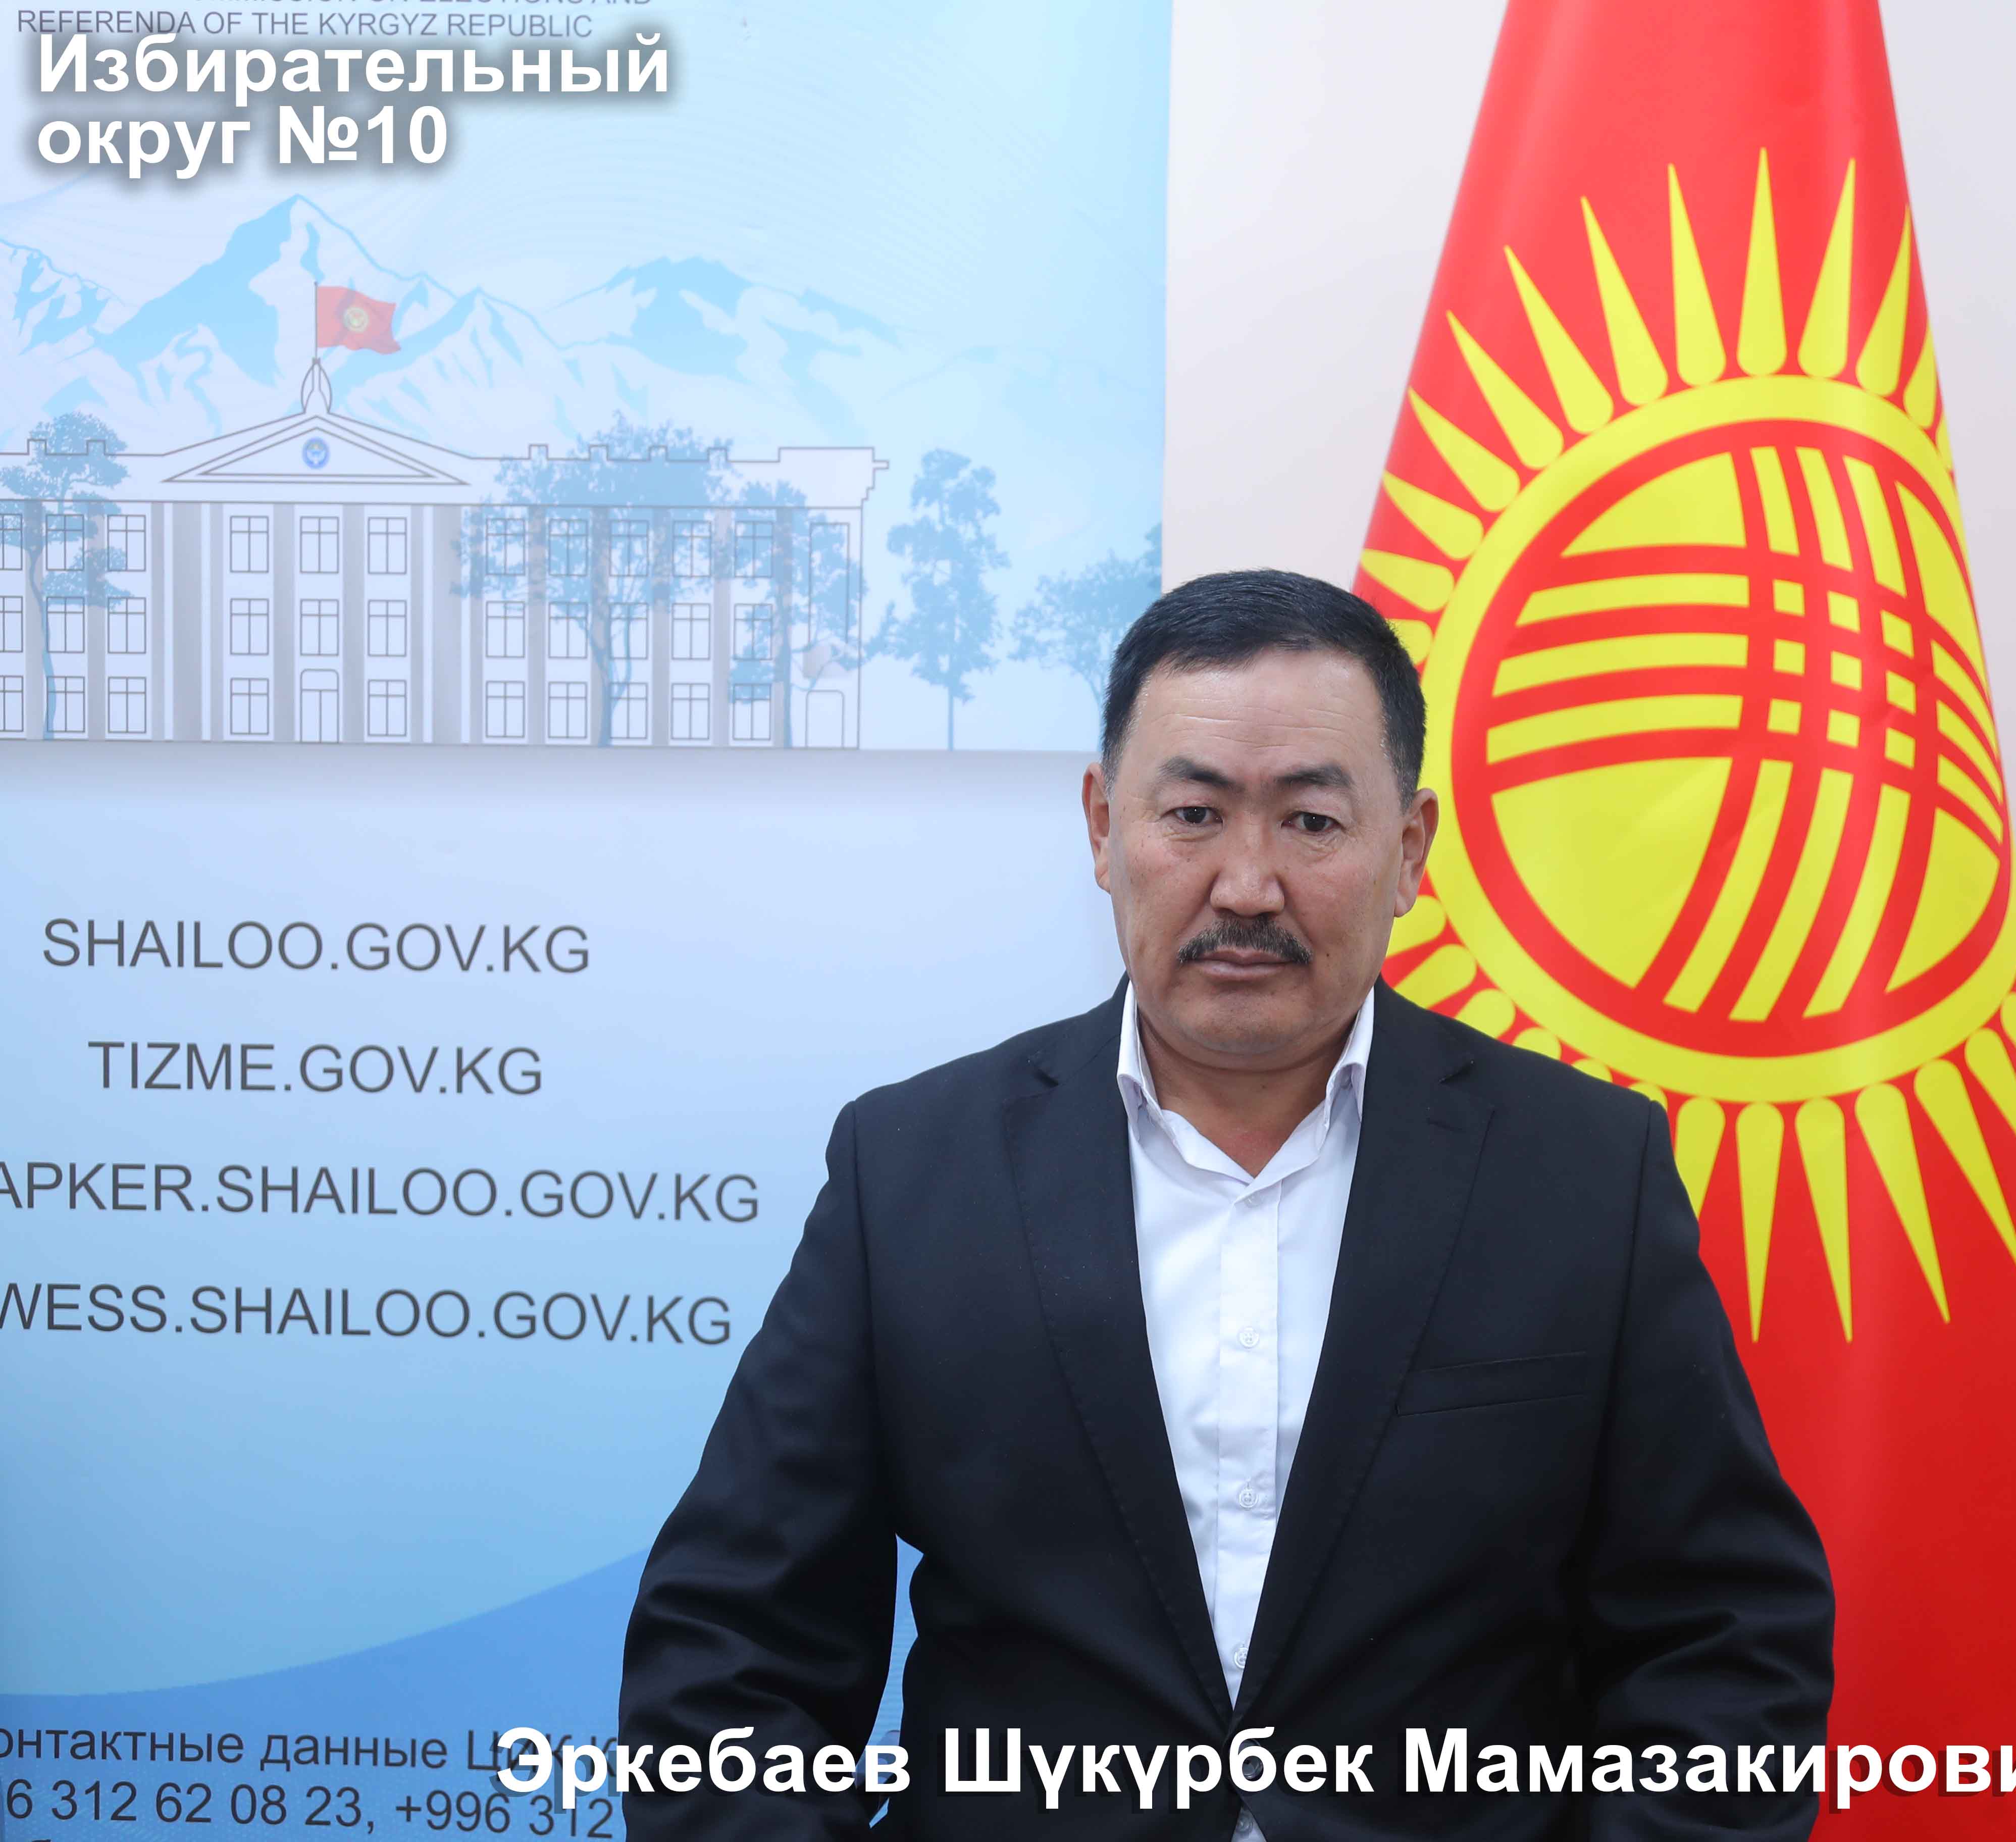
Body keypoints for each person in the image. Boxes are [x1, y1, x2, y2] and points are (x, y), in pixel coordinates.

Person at [621, 569, 1834, 1839]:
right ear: (1102, 829)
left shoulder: (1581, 1171)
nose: (1247, 885)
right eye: (1193, 814)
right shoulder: (913, 1169)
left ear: (1407, 849)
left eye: (1310, 822)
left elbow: (1722, 1635)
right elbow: (734, 1647)